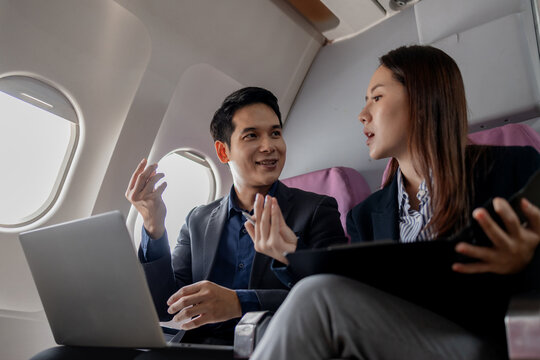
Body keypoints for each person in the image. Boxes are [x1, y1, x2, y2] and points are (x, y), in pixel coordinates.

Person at [247, 45, 540, 359]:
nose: (363, 115)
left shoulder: (515, 167)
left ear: (422, 98)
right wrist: (291, 255)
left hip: (489, 340)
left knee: (314, 298)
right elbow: (352, 300)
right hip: (396, 342)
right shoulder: (367, 215)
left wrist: (525, 263)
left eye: (376, 97)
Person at [124, 86, 346, 344]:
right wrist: (153, 225)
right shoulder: (198, 220)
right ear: (222, 151)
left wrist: (240, 302)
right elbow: (166, 306)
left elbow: (333, 298)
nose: (269, 146)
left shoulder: (316, 210)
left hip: (273, 347)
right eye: (252, 136)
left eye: (275, 133)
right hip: (196, 349)